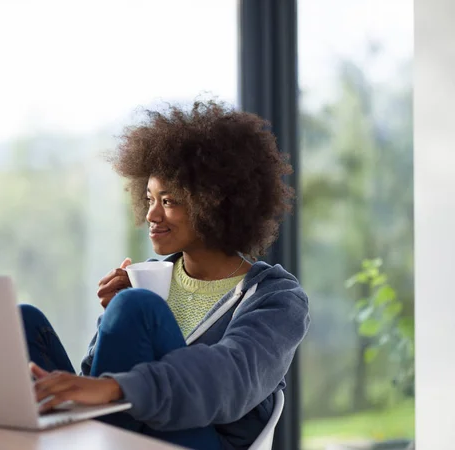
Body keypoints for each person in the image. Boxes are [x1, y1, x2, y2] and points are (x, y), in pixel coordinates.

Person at [20, 100, 310, 450]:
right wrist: (113, 321)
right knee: (23, 322)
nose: (151, 215)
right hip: (126, 429)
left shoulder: (276, 297)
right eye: (149, 198)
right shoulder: (150, 280)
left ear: (216, 202)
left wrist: (119, 384)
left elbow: (231, 378)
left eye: (169, 201)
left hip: (201, 438)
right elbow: (91, 378)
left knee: (136, 307)